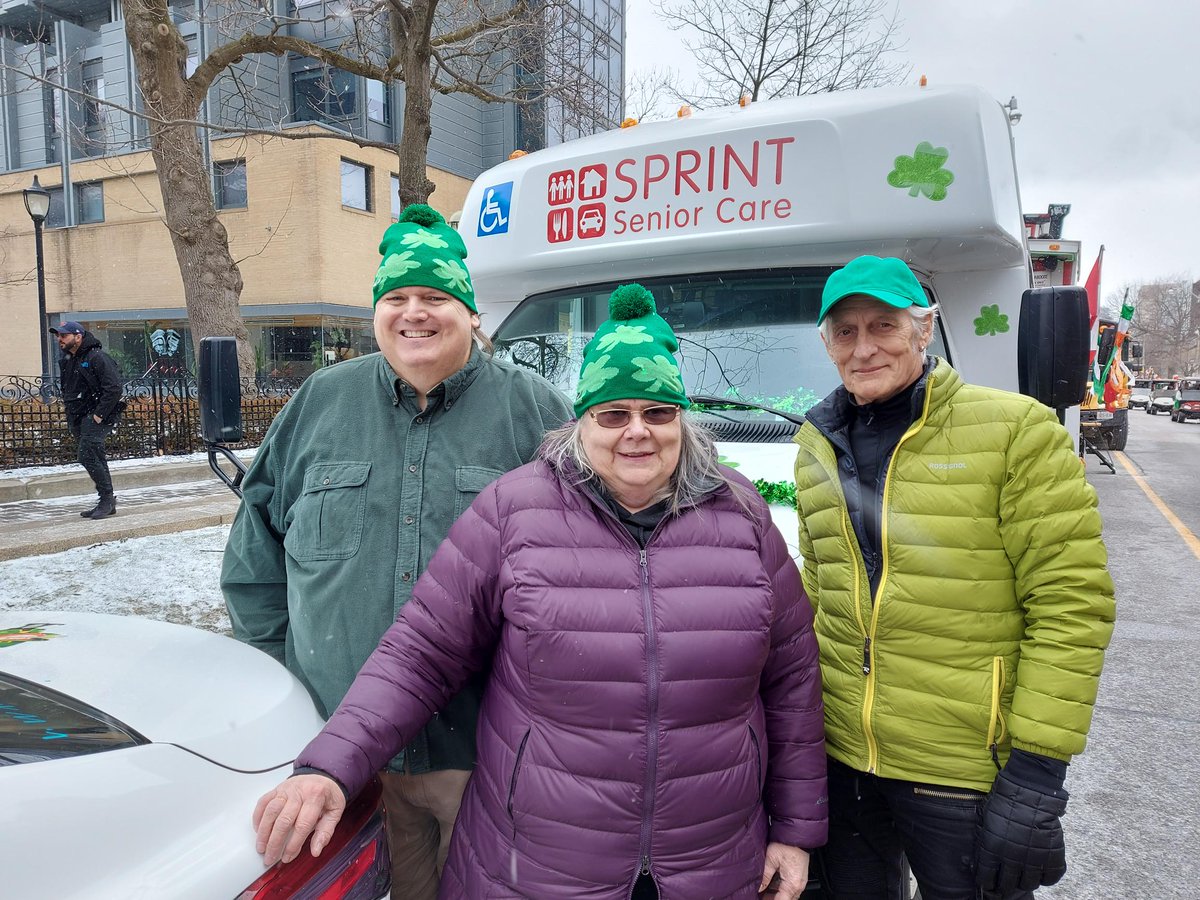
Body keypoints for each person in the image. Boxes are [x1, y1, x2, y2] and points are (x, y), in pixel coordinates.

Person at [250, 283, 828, 899]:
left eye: (658, 412)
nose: (637, 432)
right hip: (539, 863)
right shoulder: (515, 510)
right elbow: (419, 653)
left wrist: (794, 832)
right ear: (582, 422)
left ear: (682, 421)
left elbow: (791, 681)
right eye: (613, 413)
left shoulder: (741, 516)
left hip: (710, 857)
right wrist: (330, 767)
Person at [221, 204, 572, 900]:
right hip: (338, 763)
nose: (416, 313)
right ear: (376, 312)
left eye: (436, 298)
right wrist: (287, 697)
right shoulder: (319, 404)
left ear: (470, 314)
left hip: (480, 759)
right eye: (397, 298)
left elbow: (585, 575)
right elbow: (255, 566)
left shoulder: (536, 413)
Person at [792, 255, 1117, 899]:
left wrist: (1035, 775)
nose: (864, 348)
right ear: (827, 343)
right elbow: (818, 593)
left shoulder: (1015, 430)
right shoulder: (815, 441)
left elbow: (1070, 604)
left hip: (963, 770)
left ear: (923, 330)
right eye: (845, 331)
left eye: (883, 326)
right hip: (844, 765)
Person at [49, 320, 123, 519]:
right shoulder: (68, 360)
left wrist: (98, 415)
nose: (59, 339)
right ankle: (108, 501)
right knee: (96, 455)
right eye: (58, 336)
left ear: (78, 336)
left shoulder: (97, 357)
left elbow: (114, 387)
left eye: (64, 335)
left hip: (97, 415)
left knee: (86, 455)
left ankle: (106, 498)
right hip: (79, 417)